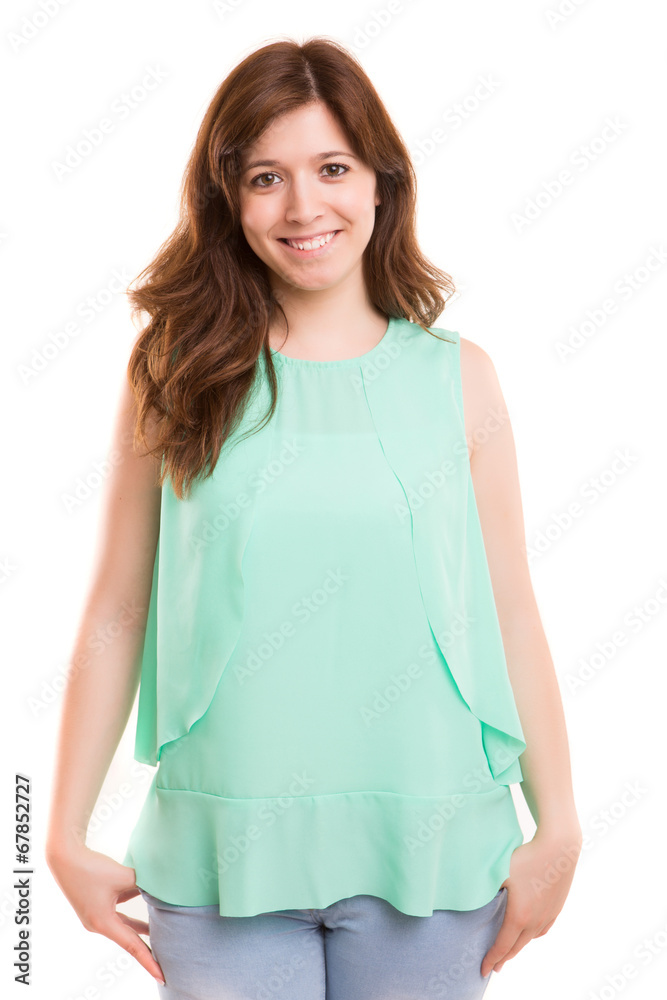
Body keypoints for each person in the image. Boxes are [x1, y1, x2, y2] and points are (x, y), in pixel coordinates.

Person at [45, 36, 583, 1000]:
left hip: (432, 850)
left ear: (381, 180)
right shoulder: (173, 372)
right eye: (266, 177)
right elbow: (119, 607)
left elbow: (507, 606)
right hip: (219, 854)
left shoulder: (459, 379)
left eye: (332, 168)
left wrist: (561, 825)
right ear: (227, 197)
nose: (303, 207)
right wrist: (58, 832)